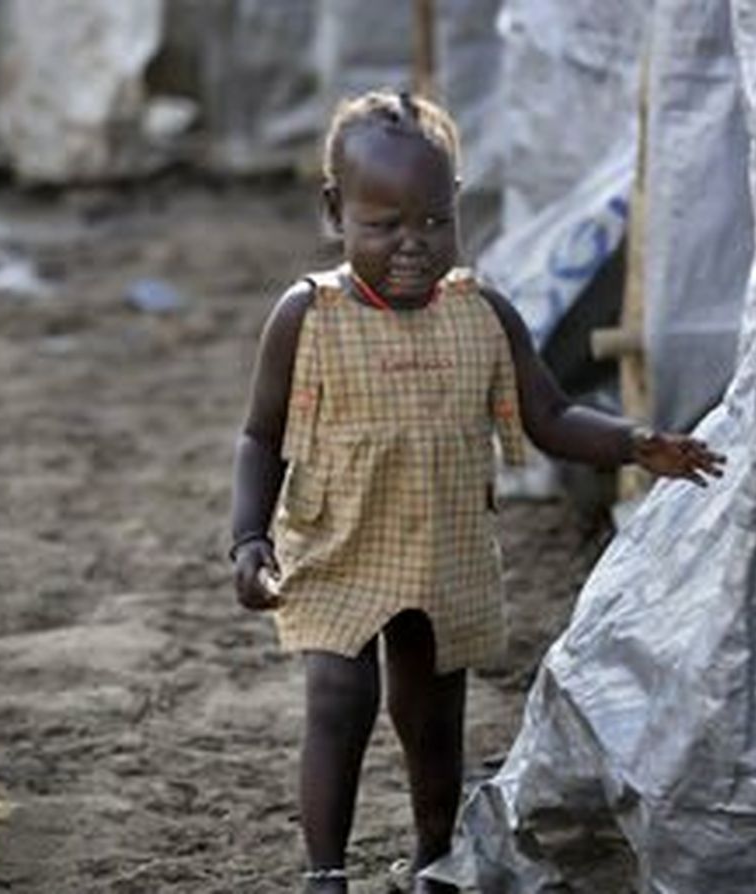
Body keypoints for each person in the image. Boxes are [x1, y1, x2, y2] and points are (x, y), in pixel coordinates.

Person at [228, 89, 725, 893]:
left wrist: (634, 442)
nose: (413, 245)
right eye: (383, 225)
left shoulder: (482, 314)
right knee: (338, 702)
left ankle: (433, 859)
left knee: (430, 720)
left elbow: (552, 413)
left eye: (432, 221)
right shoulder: (306, 318)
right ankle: (325, 872)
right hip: (336, 545)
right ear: (335, 211)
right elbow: (259, 436)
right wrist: (248, 539)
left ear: (456, 207)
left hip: (442, 550)